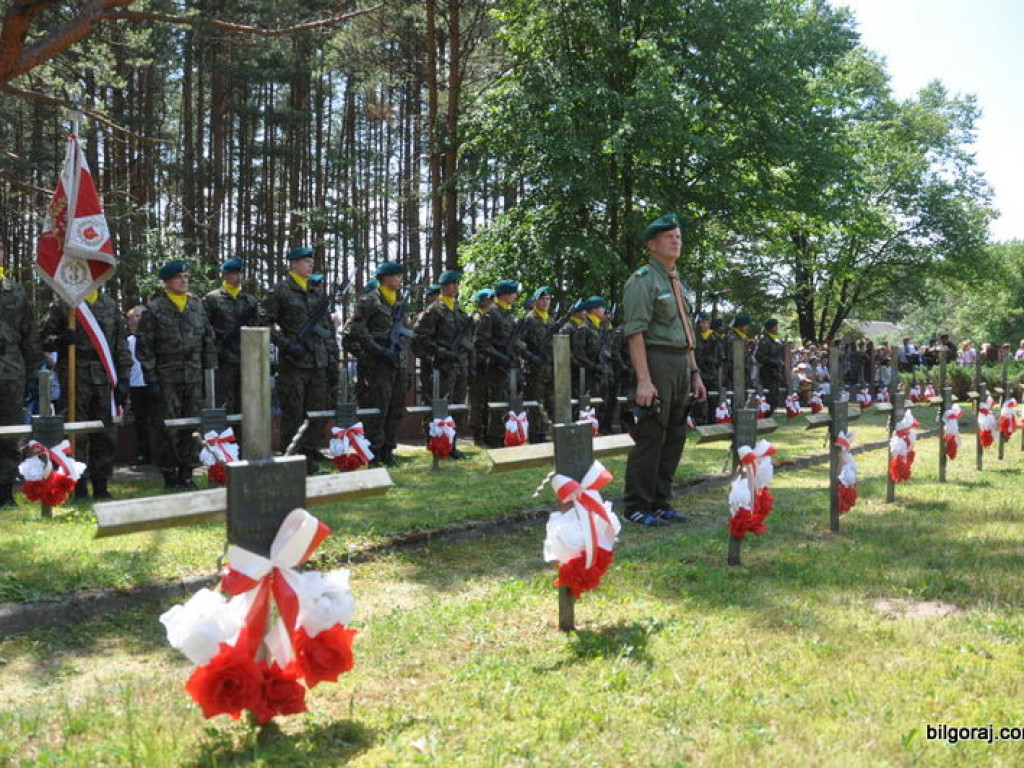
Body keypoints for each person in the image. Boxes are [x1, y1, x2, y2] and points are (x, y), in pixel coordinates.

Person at [622, 213, 705, 526]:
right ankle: (637, 506)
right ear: (652, 244)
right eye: (669, 236)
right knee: (651, 434)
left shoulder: (676, 281)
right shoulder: (643, 280)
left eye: (679, 236)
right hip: (655, 360)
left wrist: (695, 373)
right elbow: (635, 332)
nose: (676, 241)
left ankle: (660, 502)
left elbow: (685, 332)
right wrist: (644, 380)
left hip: (681, 363)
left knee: (675, 435)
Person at [41, 289, 132, 500]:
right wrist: (60, 339)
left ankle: (101, 485)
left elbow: (121, 346)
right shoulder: (64, 304)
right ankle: (77, 484)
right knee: (75, 432)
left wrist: (124, 379)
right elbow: (42, 339)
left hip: (104, 375)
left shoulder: (110, 306)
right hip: (74, 374)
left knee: (105, 432)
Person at [136, 260, 217, 490]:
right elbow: (145, 347)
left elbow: (208, 340)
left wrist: (209, 373)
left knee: (192, 425)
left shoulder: (196, 306)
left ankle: (187, 472)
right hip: (166, 378)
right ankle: (170, 475)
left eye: (186, 276)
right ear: (167, 281)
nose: (184, 280)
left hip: (193, 377)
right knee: (167, 428)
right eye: (179, 277)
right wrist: (151, 379)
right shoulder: (154, 309)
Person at [260, 246, 340, 474]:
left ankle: (310, 452)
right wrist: (286, 344)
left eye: (311, 261)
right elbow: (263, 322)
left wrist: (332, 360)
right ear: (293, 264)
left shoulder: (316, 291)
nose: (310, 264)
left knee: (317, 410)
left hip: (318, 361)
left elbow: (326, 328)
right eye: (305, 261)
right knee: (293, 411)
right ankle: (291, 456)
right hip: (294, 362)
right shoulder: (280, 291)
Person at [342, 262, 409, 466]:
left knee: (395, 407)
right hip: (377, 364)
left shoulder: (398, 302)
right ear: (385, 278)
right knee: (378, 407)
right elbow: (358, 331)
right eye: (396, 276)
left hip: (397, 362)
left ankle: (389, 448)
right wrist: (379, 351)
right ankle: (374, 450)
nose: (400, 280)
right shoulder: (369, 301)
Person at [0, 240, 43, 507]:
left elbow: (30, 335)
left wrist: (32, 373)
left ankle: (4, 489)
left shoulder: (15, 291)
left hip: (10, 370)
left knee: (8, 431)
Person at [412, 270, 470, 458]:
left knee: (457, 405)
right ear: (443, 286)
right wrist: (440, 352)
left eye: (457, 284)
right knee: (440, 406)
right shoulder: (433, 311)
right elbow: (420, 338)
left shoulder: (460, 311)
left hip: (458, 366)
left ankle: (451, 444)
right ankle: (437, 444)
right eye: (452, 284)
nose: (455, 287)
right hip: (441, 367)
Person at [203, 258, 258, 419]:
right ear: (225, 275)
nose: (238, 277)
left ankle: (242, 440)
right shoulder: (212, 299)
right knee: (223, 402)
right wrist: (214, 347)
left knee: (245, 403)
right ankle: (224, 441)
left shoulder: (250, 301)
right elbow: (205, 328)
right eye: (234, 273)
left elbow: (256, 329)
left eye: (240, 273)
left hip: (245, 359)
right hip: (223, 359)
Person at [474, 279, 521, 447]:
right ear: (505, 295)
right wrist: (501, 358)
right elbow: (481, 343)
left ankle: (504, 436)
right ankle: (495, 438)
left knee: (507, 401)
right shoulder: (491, 314)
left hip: (508, 367)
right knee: (497, 403)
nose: (515, 296)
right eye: (513, 293)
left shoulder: (508, 313)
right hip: (495, 367)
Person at [518, 285, 556, 443]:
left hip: (549, 369)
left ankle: (547, 433)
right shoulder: (529, 319)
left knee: (550, 402)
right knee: (535, 404)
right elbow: (518, 342)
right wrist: (531, 356)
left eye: (547, 299)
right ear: (535, 301)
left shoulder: (552, 320)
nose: (545, 302)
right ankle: (536, 436)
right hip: (533, 370)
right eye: (542, 299)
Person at [571, 296, 610, 415]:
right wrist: (593, 367)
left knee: (598, 405)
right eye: (602, 307)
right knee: (586, 407)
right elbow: (578, 354)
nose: (604, 310)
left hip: (597, 374)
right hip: (586, 375)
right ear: (593, 309)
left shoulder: (598, 327)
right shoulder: (584, 328)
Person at [467, 288, 496, 445]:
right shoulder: (474, 318)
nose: (492, 302)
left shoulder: (490, 317)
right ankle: (478, 435)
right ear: (482, 301)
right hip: (477, 365)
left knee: (488, 399)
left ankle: (487, 433)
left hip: (489, 364)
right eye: (490, 299)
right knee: (477, 401)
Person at [125, 305, 151, 465]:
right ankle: (143, 453)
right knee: (140, 421)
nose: (139, 319)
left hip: (153, 383)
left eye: (142, 315)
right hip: (136, 386)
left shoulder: (154, 339)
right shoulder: (127, 342)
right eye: (136, 316)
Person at [415, 284, 441, 403]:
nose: (438, 298)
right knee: (430, 395)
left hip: (444, 361)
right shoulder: (423, 316)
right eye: (435, 295)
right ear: (429, 297)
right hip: (429, 362)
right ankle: (428, 421)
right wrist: (425, 356)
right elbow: (415, 340)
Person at [754, 318, 785, 411]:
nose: (777, 328)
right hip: (767, 373)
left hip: (776, 373)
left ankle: (770, 415)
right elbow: (759, 357)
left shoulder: (775, 341)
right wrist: (773, 361)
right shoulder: (765, 341)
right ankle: (766, 417)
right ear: (770, 328)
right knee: (769, 398)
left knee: (775, 398)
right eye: (775, 326)